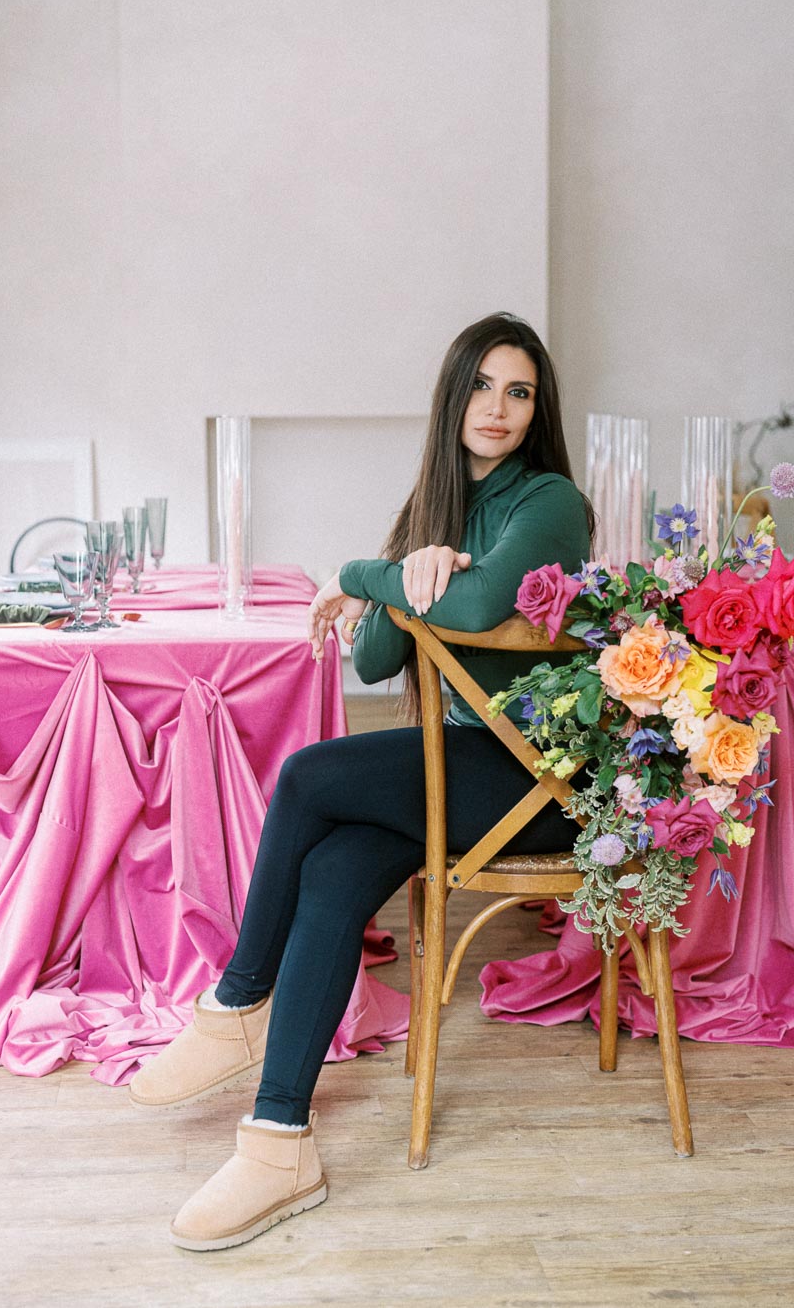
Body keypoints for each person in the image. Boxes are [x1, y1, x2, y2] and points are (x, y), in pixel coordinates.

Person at [128, 312, 593, 1252]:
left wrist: (364, 572)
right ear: (451, 394)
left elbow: (461, 607)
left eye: (519, 391)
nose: (497, 408)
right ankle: (278, 1141)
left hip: (530, 783)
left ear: (537, 410)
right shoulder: (441, 502)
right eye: (481, 385)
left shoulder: (549, 501)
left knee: (305, 776)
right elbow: (382, 653)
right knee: (337, 876)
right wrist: (418, 554)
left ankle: (234, 1006)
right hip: (454, 772)